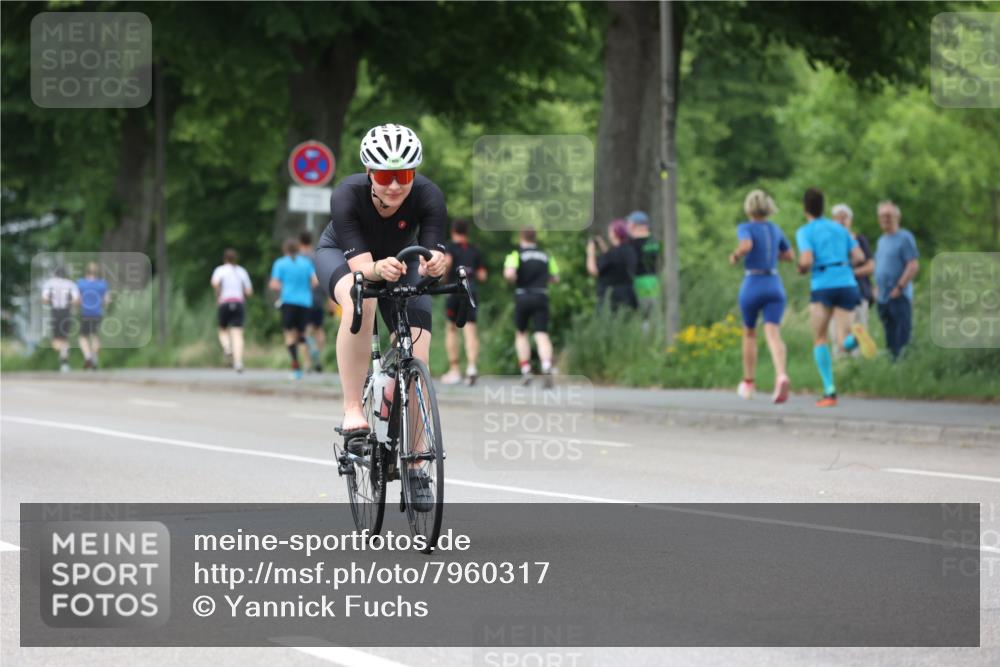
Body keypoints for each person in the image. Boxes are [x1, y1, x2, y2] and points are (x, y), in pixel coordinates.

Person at [313, 124, 447, 511]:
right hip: (343, 255)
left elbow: (432, 252)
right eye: (386, 176)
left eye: (403, 175)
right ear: (370, 173)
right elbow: (363, 269)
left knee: (419, 349)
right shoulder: (347, 195)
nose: (394, 186)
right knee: (361, 301)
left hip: (400, 260)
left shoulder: (428, 195)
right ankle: (354, 408)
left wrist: (436, 264)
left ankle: (418, 462)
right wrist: (374, 270)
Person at [795, 188, 870, 407]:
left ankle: (829, 391)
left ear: (805, 208)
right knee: (842, 341)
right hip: (847, 283)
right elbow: (859, 256)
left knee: (820, 338)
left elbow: (807, 260)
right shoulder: (840, 229)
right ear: (823, 205)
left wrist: (801, 268)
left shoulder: (805, 231)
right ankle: (855, 337)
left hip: (823, 284)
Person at [729, 190, 794, 403]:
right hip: (774, 283)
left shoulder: (745, 227)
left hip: (753, 282)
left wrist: (736, 254)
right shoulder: (775, 229)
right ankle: (781, 375)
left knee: (749, 333)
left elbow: (747, 245)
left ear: (748, 208)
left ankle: (749, 383)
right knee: (773, 333)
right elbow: (789, 255)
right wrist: (770, 253)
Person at [504, 227, 560, 387]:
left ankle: (526, 369)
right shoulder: (545, 255)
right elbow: (556, 277)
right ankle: (547, 365)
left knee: (521, 333)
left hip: (523, 295)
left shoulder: (516, 254)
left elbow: (509, 274)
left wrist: (515, 277)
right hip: (541, 295)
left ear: (521, 237)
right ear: (535, 238)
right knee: (541, 334)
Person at [441, 218, 487, 386]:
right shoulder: (475, 249)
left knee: (451, 329)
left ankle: (454, 370)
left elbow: (447, 263)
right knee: (471, 330)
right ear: (466, 232)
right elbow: (482, 275)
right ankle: (472, 368)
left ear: (453, 231)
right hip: (471, 290)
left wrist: (444, 280)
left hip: (454, 290)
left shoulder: (449, 247)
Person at [874, 200, 919, 360]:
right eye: (882, 216)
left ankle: (904, 367)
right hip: (883, 296)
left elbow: (913, 265)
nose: (885, 219)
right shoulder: (881, 240)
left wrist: (900, 287)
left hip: (899, 295)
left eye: (888, 215)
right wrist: (876, 288)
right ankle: (893, 367)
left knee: (902, 335)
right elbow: (880, 266)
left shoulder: (905, 237)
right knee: (889, 335)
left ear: (897, 217)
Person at [830, 203, 876, 358]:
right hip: (836, 295)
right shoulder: (829, 243)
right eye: (838, 218)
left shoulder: (859, 240)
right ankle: (841, 370)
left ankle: (858, 369)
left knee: (858, 329)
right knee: (837, 335)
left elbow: (870, 266)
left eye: (845, 218)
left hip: (858, 293)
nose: (841, 221)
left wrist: (849, 273)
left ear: (850, 220)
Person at [269, 238, 319, 380]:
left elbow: (274, 284)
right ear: (297, 249)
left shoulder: (280, 263)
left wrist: (283, 288)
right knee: (302, 335)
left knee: (289, 335)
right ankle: (308, 362)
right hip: (305, 302)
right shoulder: (306, 263)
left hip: (289, 302)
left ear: (285, 250)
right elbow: (315, 282)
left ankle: (296, 368)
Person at [211, 249, 253, 373]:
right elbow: (249, 291)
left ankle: (227, 347)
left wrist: (218, 295)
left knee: (222, 329)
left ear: (224, 259)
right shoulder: (241, 271)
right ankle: (238, 362)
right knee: (238, 334)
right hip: (239, 303)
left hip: (224, 302)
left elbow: (215, 283)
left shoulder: (220, 270)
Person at [587, 219, 637, 311]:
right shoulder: (629, 250)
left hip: (610, 298)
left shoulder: (613, 254)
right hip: (627, 295)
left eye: (610, 231)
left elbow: (594, 270)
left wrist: (590, 252)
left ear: (615, 234)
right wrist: (602, 246)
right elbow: (612, 260)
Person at [298, 231, 329, 373]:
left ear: (300, 243)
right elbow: (324, 278)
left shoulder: (297, 260)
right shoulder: (317, 257)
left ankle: (307, 363)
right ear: (311, 242)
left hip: (302, 300)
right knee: (319, 329)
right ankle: (318, 355)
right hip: (318, 299)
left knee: (304, 332)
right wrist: (329, 298)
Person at [40, 266, 79, 373]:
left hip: (55, 312)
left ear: (55, 274)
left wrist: (52, 301)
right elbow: (76, 300)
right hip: (67, 312)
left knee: (56, 340)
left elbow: (44, 299)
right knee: (64, 338)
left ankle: (62, 356)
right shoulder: (71, 284)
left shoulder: (49, 283)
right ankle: (64, 359)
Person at [626, 211, 661, 317]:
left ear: (634, 225)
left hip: (639, 283)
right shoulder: (654, 242)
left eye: (629, 223)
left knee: (641, 317)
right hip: (654, 282)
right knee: (654, 317)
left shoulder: (631, 245)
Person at [76, 261, 110, 371]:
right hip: (97, 313)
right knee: (95, 336)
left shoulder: (81, 283)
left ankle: (88, 356)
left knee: (82, 337)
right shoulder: (102, 284)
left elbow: (78, 300)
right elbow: (107, 300)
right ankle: (94, 358)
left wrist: (78, 307)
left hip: (86, 313)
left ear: (86, 272)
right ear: (97, 273)